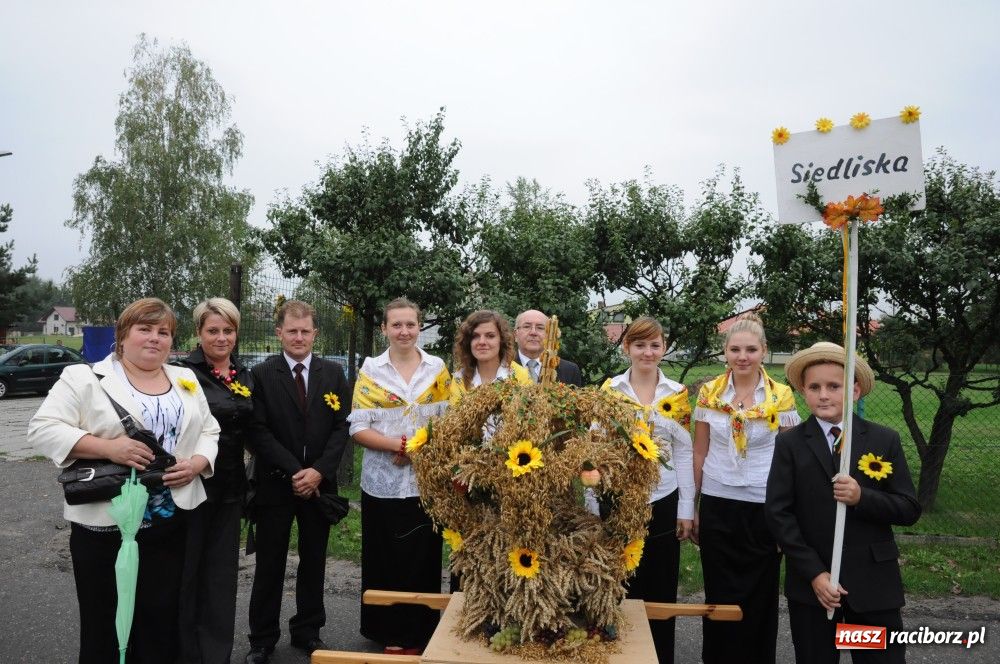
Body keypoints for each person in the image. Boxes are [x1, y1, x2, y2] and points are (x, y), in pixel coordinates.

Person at [28, 297, 219, 664]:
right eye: (144, 329)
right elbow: (42, 430)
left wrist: (197, 462)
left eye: (163, 332)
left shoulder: (185, 378)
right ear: (123, 335)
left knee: (159, 618)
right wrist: (108, 447)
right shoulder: (83, 378)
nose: (154, 339)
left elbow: (210, 430)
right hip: (105, 523)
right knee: (103, 622)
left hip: (168, 520)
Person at [766, 342, 920, 663]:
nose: (824, 394)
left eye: (834, 386)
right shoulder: (789, 443)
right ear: (803, 393)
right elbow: (779, 514)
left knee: (878, 658)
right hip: (814, 589)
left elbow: (907, 508)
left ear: (855, 390)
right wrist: (814, 573)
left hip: (872, 585)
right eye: (814, 387)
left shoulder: (883, 439)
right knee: (816, 657)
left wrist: (862, 497)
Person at [245, 300, 351, 663]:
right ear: (279, 333)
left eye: (306, 331)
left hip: (320, 486)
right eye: (292, 331)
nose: (299, 337)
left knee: (314, 560)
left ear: (315, 333)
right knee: (270, 563)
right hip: (277, 484)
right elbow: (258, 431)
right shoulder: (260, 375)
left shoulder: (333, 374)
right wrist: (296, 472)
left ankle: (308, 631)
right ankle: (261, 639)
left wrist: (318, 471)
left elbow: (342, 427)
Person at [693, 313, 799, 664]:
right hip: (718, 501)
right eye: (735, 349)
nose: (743, 356)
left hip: (762, 504)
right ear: (725, 352)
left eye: (751, 349)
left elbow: (788, 460)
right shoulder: (709, 393)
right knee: (719, 591)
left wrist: (788, 515)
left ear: (764, 351)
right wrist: (693, 505)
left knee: (761, 592)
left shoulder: (780, 396)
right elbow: (700, 450)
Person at [349, 298, 451, 655]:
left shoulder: (437, 368)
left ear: (419, 326)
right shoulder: (371, 370)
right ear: (384, 329)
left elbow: (449, 422)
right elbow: (359, 427)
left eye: (410, 324)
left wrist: (420, 448)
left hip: (426, 481)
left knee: (424, 558)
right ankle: (386, 631)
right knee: (385, 558)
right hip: (383, 483)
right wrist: (399, 444)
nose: (404, 331)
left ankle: (421, 632)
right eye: (397, 325)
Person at [598, 317, 695, 664]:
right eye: (640, 345)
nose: (647, 352)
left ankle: (659, 655)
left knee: (660, 582)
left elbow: (683, 449)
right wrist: (595, 507)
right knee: (618, 581)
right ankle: (620, 654)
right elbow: (597, 450)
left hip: (663, 498)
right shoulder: (610, 392)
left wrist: (686, 507)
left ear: (664, 349)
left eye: (655, 345)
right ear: (627, 348)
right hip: (617, 498)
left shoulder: (676, 394)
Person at [177, 297, 254, 664]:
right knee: (187, 573)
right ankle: (186, 652)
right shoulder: (181, 374)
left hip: (230, 489)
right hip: (191, 487)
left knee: (222, 578)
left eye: (228, 330)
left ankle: (216, 655)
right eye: (213, 331)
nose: (221, 338)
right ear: (198, 333)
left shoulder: (244, 374)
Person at [450, 309, 531, 403]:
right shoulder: (460, 379)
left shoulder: (521, 376)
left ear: (501, 340)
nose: (482, 342)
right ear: (468, 342)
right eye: (475, 336)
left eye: (490, 336)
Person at [514, 309, 584, 386]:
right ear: (515, 335)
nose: (533, 332)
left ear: (549, 334)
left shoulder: (569, 370)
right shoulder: (502, 367)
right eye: (527, 326)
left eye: (540, 328)